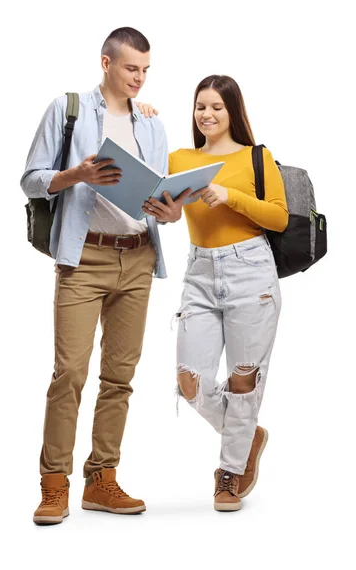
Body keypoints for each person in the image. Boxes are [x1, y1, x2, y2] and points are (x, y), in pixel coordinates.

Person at [21, 27, 188, 524]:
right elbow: (30, 179)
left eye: (145, 70)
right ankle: (54, 484)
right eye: (131, 68)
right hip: (83, 258)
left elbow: (157, 199)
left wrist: (172, 211)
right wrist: (78, 175)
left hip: (137, 258)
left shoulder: (152, 124)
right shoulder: (68, 109)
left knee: (119, 378)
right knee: (69, 373)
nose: (138, 78)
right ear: (106, 63)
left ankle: (102, 479)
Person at [139, 75, 288, 511]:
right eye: (200, 106)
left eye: (216, 107)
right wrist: (142, 116)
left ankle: (229, 473)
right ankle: (248, 436)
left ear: (232, 112)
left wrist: (230, 196)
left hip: (251, 271)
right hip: (200, 272)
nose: (206, 114)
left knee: (244, 380)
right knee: (190, 383)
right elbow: (163, 205)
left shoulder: (256, 157)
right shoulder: (180, 158)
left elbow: (278, 218)